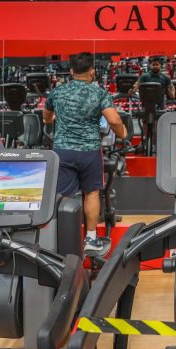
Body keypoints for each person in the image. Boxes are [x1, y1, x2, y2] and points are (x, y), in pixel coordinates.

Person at [43, 52, 127, 255]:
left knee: (63, 196)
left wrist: (55, 120)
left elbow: (46, 117)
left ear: (71, 71)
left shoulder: (57, 92)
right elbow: (114, 120)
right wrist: (123, 134)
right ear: (92, 72)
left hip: (63, 150)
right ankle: (90, 238)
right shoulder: (99, 94)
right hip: (89, 152)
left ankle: (60, 239)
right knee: (91, 192)